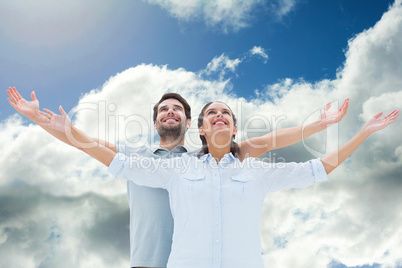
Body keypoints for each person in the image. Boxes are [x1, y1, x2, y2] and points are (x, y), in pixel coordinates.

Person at [7, 87, 349, 268]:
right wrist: (40, 120)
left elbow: (268, 141)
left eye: (178, 110)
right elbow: (81, 141)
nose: (170, 112)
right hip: (146, 261)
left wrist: (318, 126)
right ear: (155, 121)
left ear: (189, 124)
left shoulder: (206, 161)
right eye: (163, 110)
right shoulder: (133, 155)